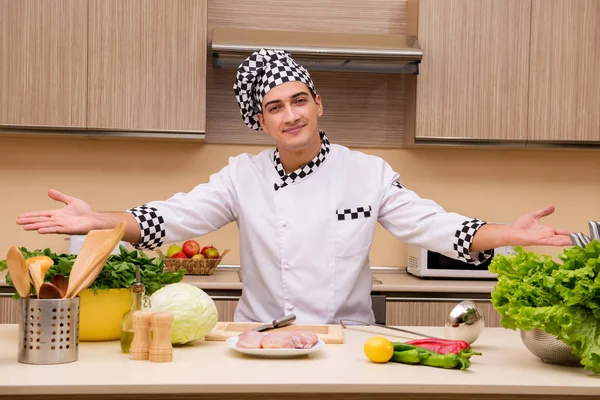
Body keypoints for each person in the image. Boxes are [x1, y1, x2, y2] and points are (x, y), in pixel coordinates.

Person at [16, 49, 572, 324]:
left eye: (299, 100)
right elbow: (172, 216)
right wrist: (100, 220)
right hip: (256, 340)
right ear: (262, 122)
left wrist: (510, 235)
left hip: (346, 339)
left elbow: (439, 227)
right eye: (274, 107)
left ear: (318, 103)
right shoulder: (242, 175)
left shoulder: (368, 172)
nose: (290, 115)